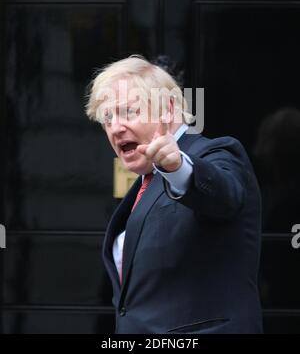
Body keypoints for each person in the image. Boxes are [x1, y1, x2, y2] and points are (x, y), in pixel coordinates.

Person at [85, 55, 263, 334]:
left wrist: (178, 167)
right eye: (107, 118)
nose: (115, 128)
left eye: (128, 112)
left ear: (167, 110)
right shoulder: (142, 183)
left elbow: (224, 196)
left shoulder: (216, 153)